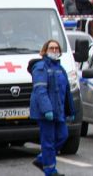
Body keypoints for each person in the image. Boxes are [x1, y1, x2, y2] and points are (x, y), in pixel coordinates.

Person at [28, 40, 75, 176]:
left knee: (63, 136)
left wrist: (70, 111)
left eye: (56, 48)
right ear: (45, 50)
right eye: (51, 48)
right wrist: (46, 109)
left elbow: (67, 92)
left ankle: (42, 159)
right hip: (46, 112)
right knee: (48, 141)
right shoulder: (40, 67)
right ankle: (50, 171)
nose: (54, 51)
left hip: (58, 111)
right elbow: (40, 90)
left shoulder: (60, 69)